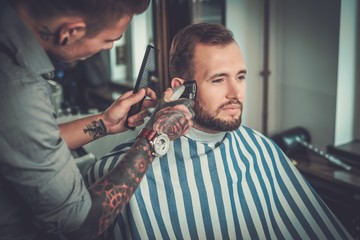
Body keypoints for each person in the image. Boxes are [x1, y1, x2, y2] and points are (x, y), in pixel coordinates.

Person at [86, 22, 352, 240]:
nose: (236, 93)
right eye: (218, 80)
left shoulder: (259, 148)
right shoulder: (118, 172)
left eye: (241, 76)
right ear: (180, 88)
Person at [0, 0, 195, 239]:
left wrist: (105, 123)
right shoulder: (17, 87)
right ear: (71, 31)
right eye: (109, 39)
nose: (110, 48)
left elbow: (21, 141)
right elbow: (79, 224)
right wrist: (155, 135)